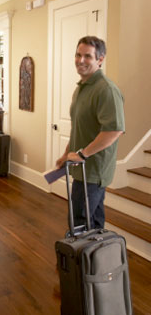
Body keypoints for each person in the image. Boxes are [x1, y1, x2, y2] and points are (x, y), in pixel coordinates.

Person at [56, 36, 125, 229]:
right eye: (78, 55)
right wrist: (65, 154)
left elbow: (114, 130)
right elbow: (78, 127)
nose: (81, 60)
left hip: (93, 170)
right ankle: (96, 258)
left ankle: (80, 260)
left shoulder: (106, 90)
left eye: (88, 56)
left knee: (79, 223)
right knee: (92, 221)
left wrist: (82, 154)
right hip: (81, 166)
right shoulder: (81, 89)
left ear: (100, 59)